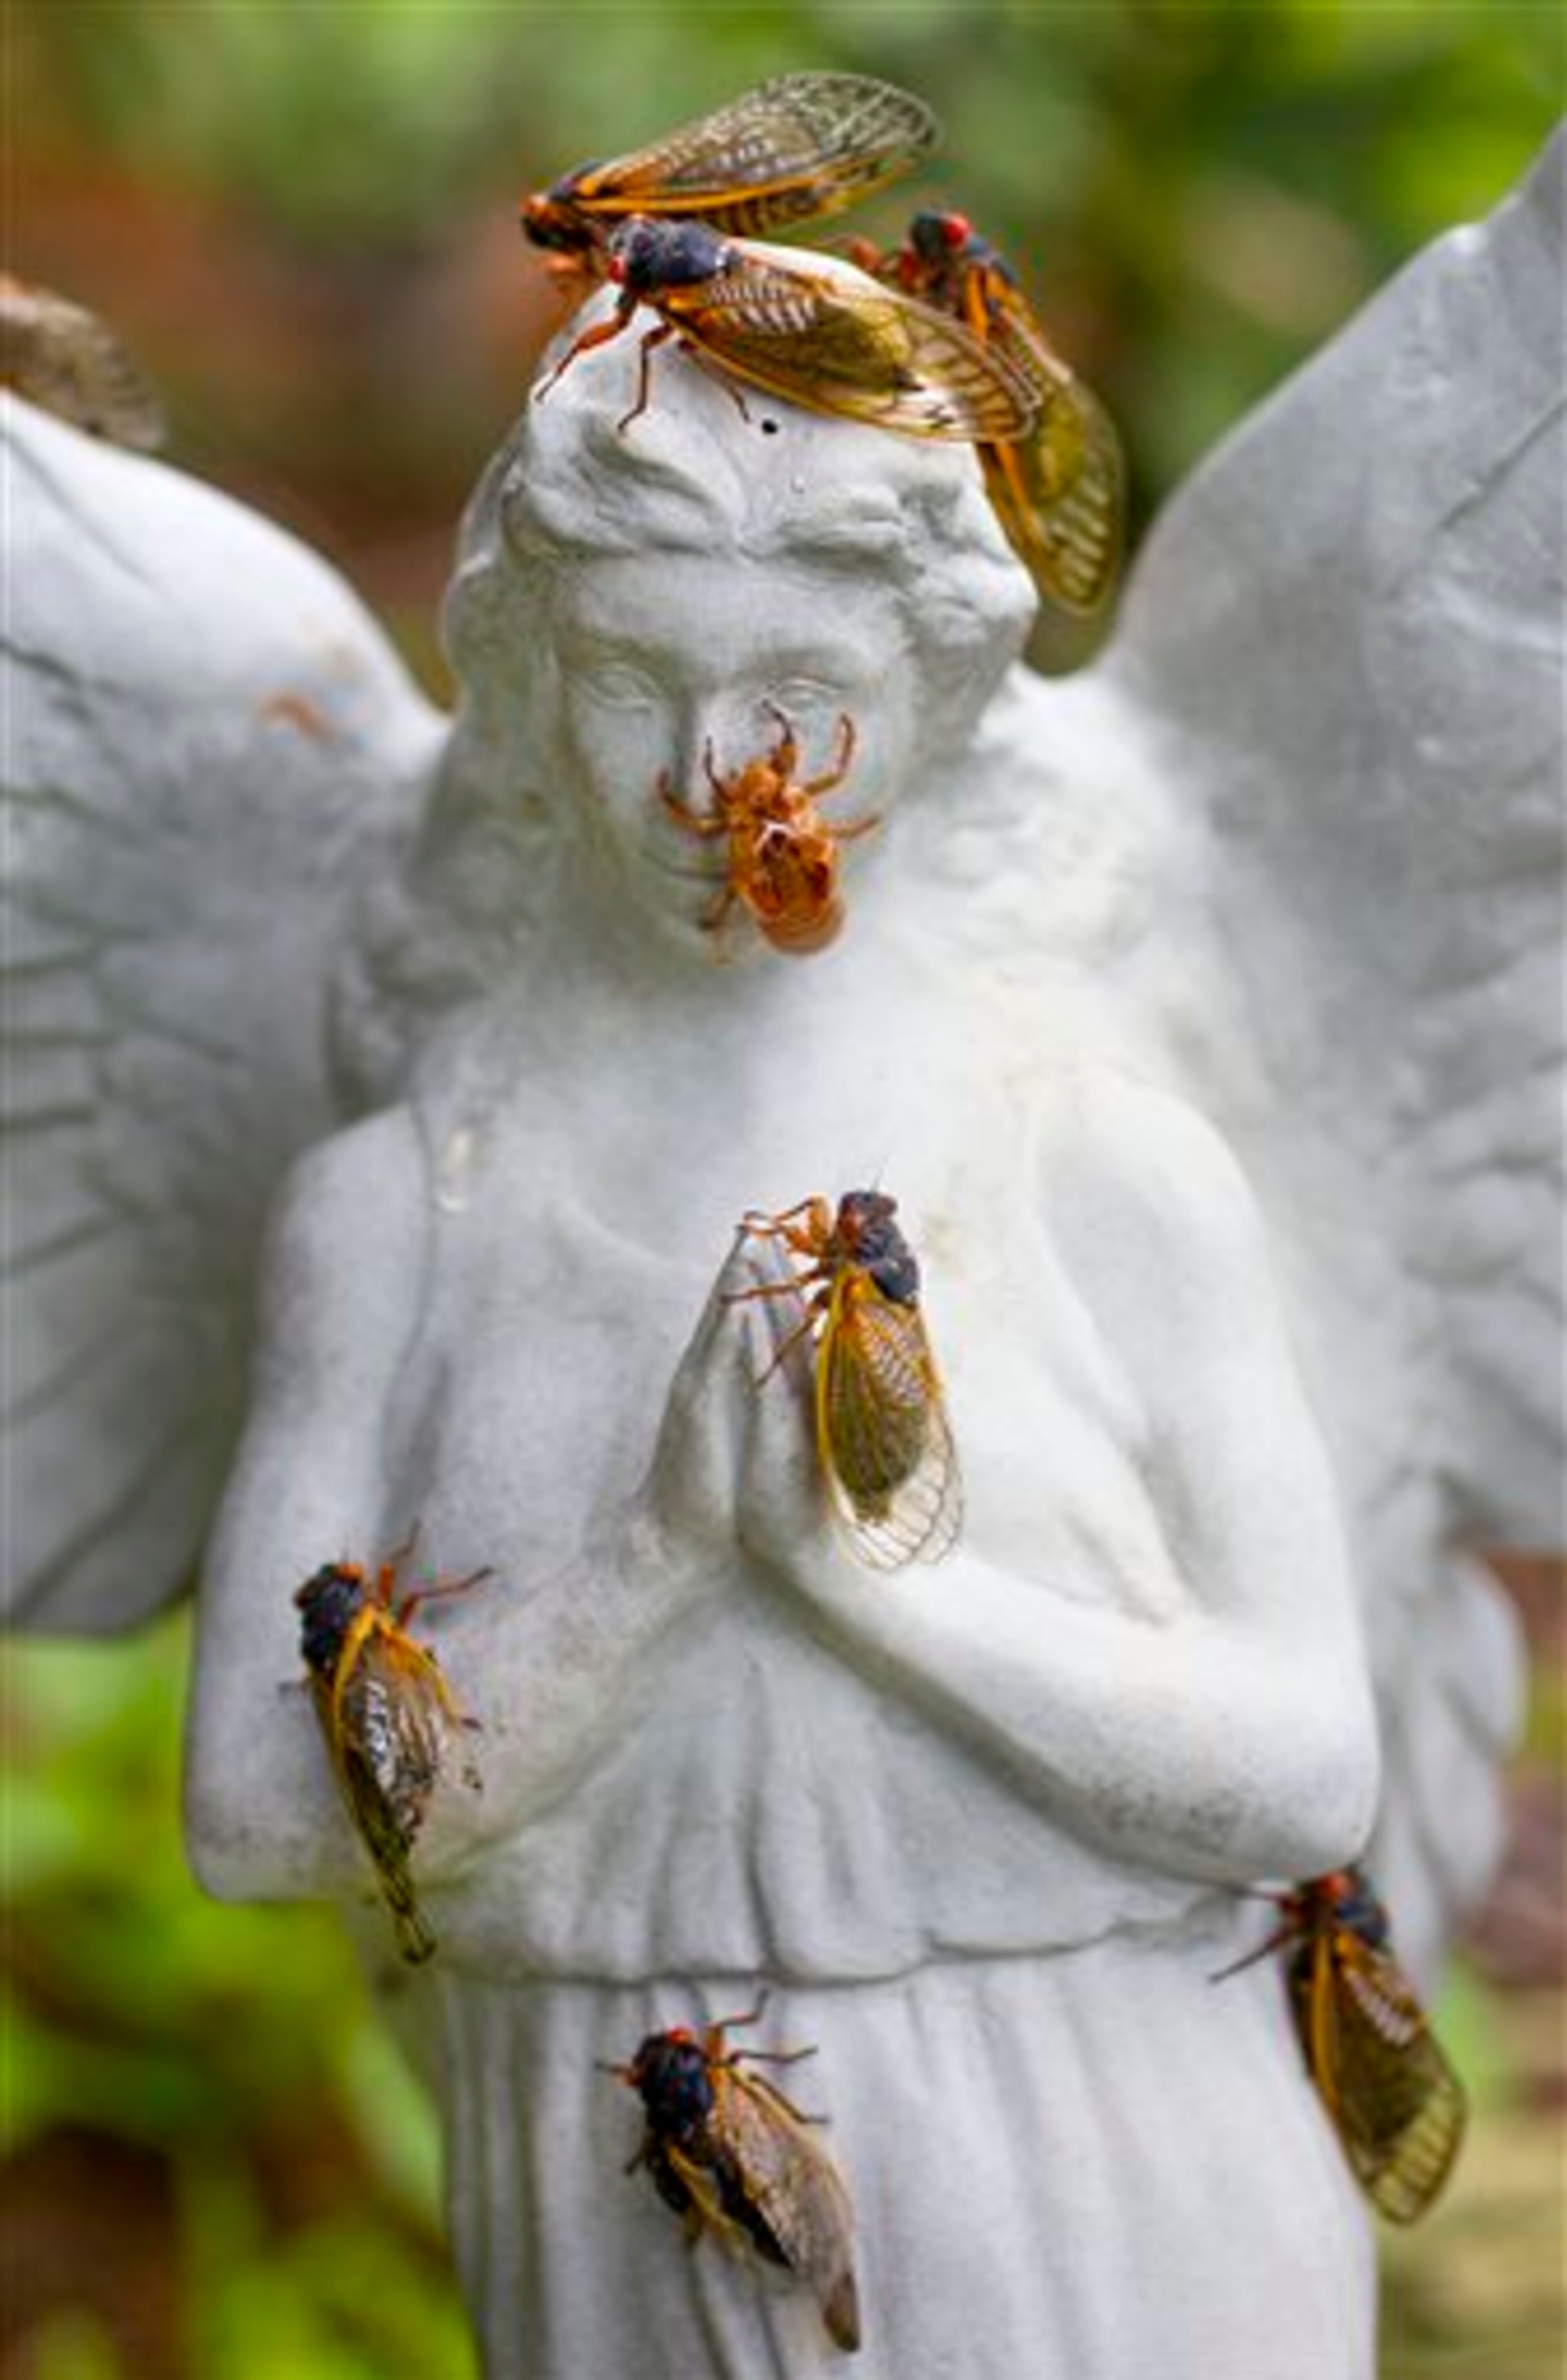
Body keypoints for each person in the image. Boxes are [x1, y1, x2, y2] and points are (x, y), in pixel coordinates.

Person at [188, 327, 1381, 2379]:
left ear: (925, 705)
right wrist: (658, 1558)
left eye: (796, 702)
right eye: (630, 679)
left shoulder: (1098, 1165)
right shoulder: (399, 1211)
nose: (700, 770)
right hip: (609, 2183)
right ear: (524, 679)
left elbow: (1301, 1769)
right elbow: (252, 1811)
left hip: (1104, 2151)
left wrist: (865, 1584)